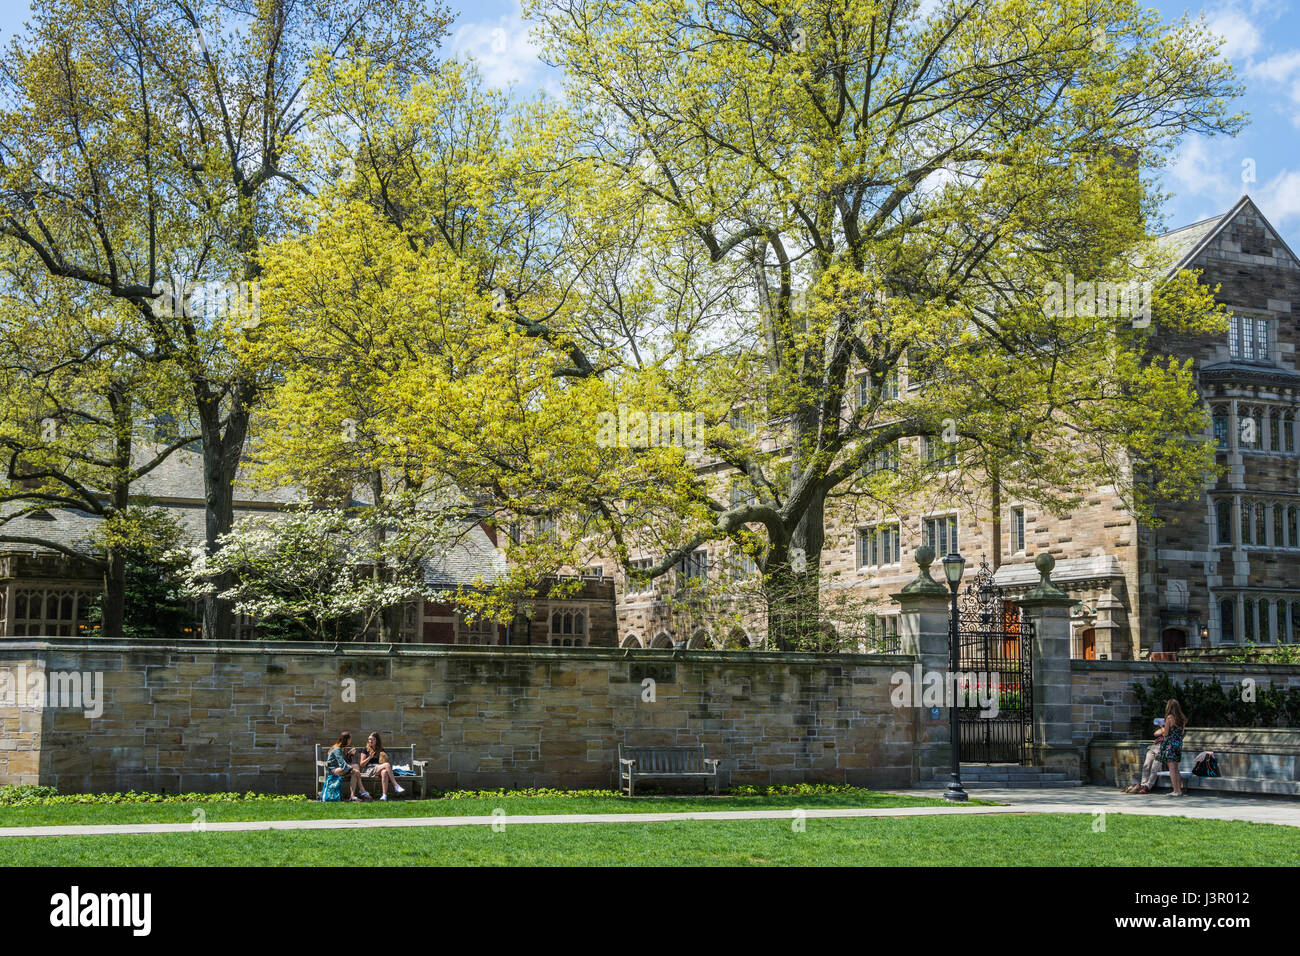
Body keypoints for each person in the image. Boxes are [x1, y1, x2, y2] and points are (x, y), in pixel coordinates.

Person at [326, 731, 372, 801]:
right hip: (333, 771)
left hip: (340, 769)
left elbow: (344, 761)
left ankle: (353, 796)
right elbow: (342, 763)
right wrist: (351, 769)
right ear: (346, 740)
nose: (350, 740)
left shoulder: (342, 748)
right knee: (356, 769)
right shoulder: (337, 749)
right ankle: (362, 791)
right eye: (350, 739)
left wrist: (349, 754)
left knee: (355, 772)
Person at [358, 732, 405, 800]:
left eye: (372, 739)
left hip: (378, 768)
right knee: (387, 764)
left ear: (376, 740)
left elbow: (382, 762)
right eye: (369, 739)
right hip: (369, 769)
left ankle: (384, 795)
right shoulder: (365, 749)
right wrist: (369, 757)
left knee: (384, 772)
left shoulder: (380, 749)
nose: (370, 741)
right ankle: (396, 785)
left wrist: (385, 758)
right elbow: (361, 764)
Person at [1158, 699, 1188, 797]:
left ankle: (1176, 791)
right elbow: (1182, 733)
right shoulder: (1182, 719)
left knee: (1172, 769)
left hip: (1170, 745)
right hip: (1178, 745)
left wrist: (1161, 726)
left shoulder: (1169, 718)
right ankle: (1179, 790)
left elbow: (1165, 733)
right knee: (1176, 769)